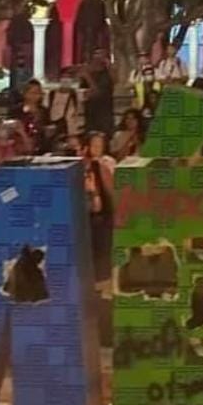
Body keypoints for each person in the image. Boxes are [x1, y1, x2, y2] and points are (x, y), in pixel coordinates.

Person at [82, 132, 116, 283]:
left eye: (100, 145)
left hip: (104, 212)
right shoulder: (81, 165)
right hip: (86, 213)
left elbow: (112, 189)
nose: (97, 148)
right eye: (94, 145)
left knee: (104, 247)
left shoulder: (108, 162)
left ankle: (104, 280)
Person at [79, 48, 115, 137]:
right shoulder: (86, 71)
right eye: (96, 54)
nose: (98, 57)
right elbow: (84, 91)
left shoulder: (107, 72)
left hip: (105, 109)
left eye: (101, 54)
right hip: (91, 110)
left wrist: (110, 67)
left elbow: (112, 83)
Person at [10, 79, 51, 154]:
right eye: (32, 93)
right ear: (25, 93)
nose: (35, 96)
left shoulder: (44, 111)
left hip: (41, 148)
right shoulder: (16, 110)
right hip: (20, 147)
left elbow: (47, 127)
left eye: (38, 93)